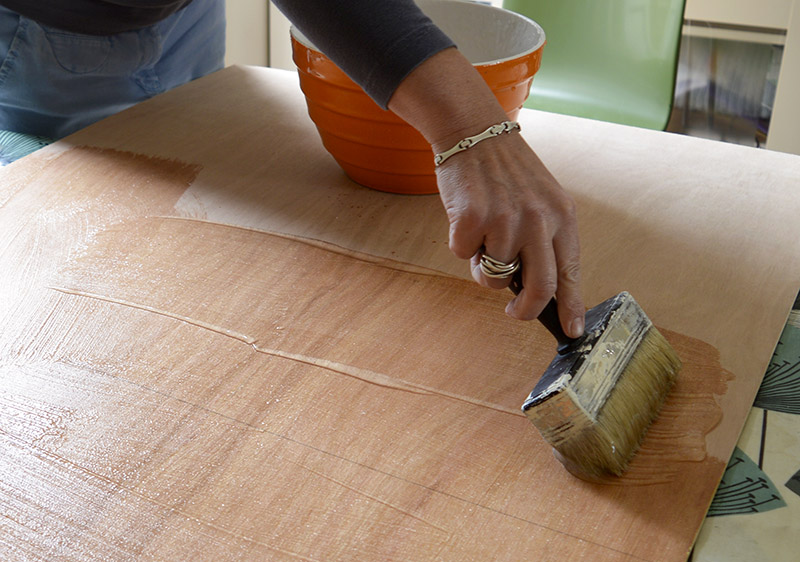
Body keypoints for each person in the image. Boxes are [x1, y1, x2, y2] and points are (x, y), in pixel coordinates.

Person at [0, 0, 585, 337]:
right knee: (89, 283)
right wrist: (469, 127)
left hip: (182, 13)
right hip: (57, 28)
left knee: (192, 246)